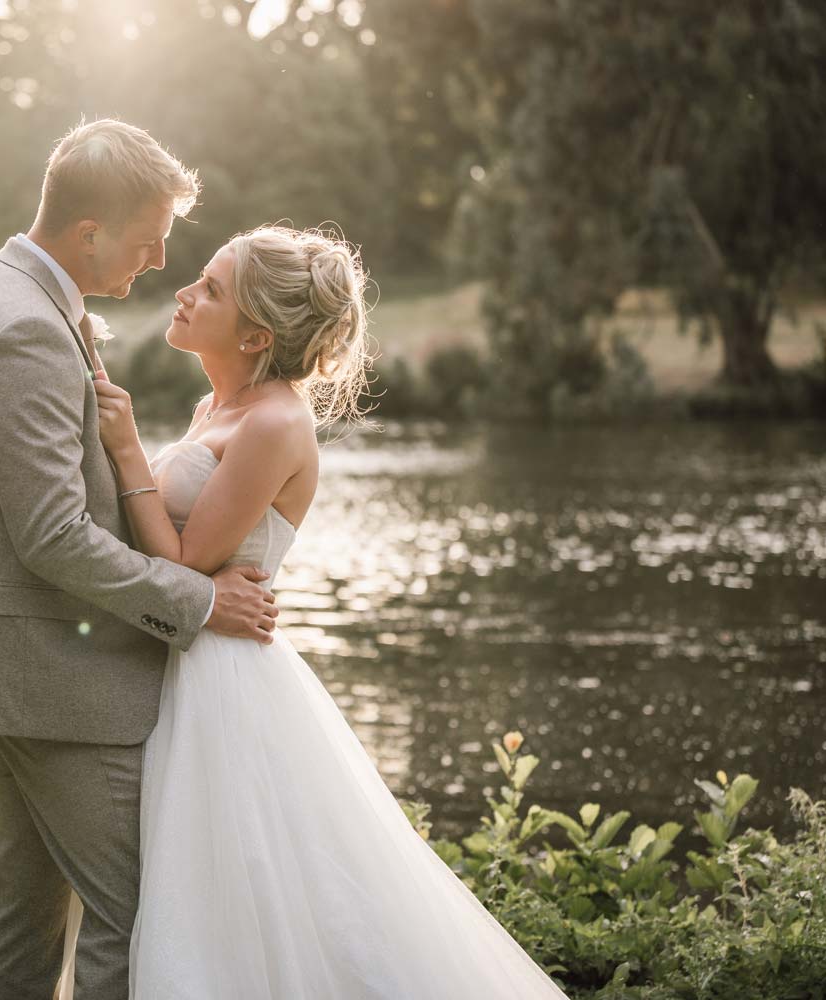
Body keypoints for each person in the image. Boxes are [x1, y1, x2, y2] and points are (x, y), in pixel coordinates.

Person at [77, 224, 572, 998]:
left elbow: (182, 564)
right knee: (201, 884)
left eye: (209, 287)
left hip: (226, 681)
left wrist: (128, 448)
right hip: (187, 657)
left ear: (254, 335)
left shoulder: (276, 422)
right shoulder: (216, 404)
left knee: (247, 889)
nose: (183, 291)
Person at [0, 119, 279, 1000]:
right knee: (135, 915)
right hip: (56, 677)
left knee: (25, 908)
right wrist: (200, 600)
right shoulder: (25, 326)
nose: (161, 260)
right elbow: (52, 534)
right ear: (89, 231)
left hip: (12, 663)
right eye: (147, 240)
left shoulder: (1, 290)